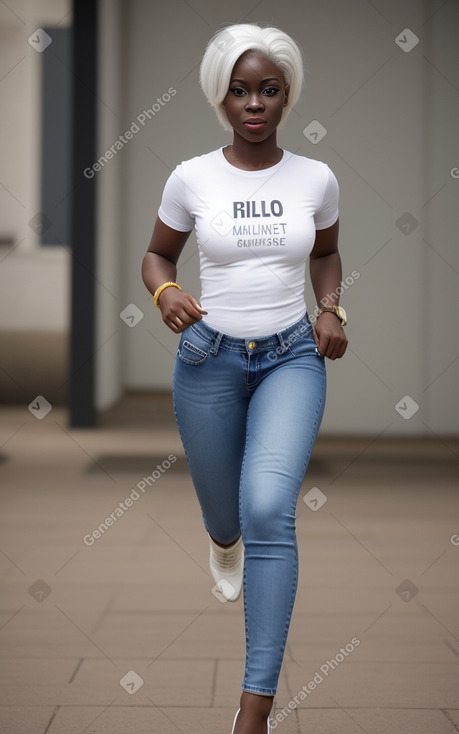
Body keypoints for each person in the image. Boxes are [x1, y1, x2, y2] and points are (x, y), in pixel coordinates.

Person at [142, 22, 348, 734]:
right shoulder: (192, 177)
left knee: (268, 510)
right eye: (239, 91)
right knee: (226, 514)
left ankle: (252, 709)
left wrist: (330, 309)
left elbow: (325, 255)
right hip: (207, 360)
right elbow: (157, 255)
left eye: (267, 89)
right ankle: (220, 539)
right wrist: (166, 295)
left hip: (291, 357)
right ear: (220, 100)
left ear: (286, 96)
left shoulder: (314, 179)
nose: (253, 102)